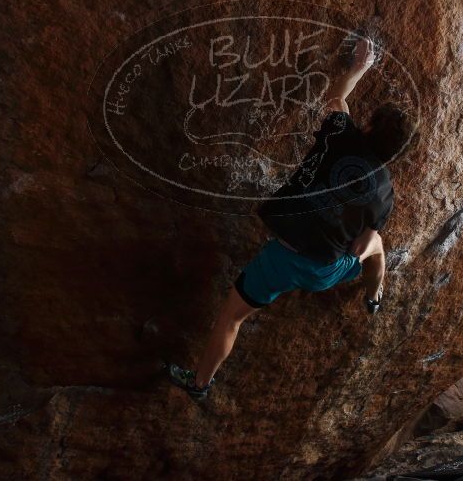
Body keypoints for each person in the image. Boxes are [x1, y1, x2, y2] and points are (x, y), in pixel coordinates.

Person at [167, 37, 416, 401]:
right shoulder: (385, 191)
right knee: (375, 245)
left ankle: (200, 384)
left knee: (231, 318)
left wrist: (358, 69)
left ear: (367, 127)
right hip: (323, 271)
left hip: (282, 258)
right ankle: (374, 296)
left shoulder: (340, 136)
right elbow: (362, 243)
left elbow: (338, 99)